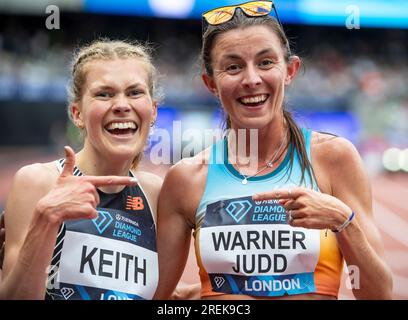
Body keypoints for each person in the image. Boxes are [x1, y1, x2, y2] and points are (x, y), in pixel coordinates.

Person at [154, 1, 393, 300]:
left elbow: (378, 295)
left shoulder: (334, 158)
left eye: (266, 62)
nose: (252, 79)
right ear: (210, 83)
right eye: (233, 67)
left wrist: (344, 221)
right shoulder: (186, 179)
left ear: (290, 70)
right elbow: (158, 299)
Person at [0, 39, 163, 300]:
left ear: (153, 111)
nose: (122, 105)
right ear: (77, 113)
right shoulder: (38, 182)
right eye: (104, 94)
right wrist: (45, 220)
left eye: (134, 92)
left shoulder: (156, 193)